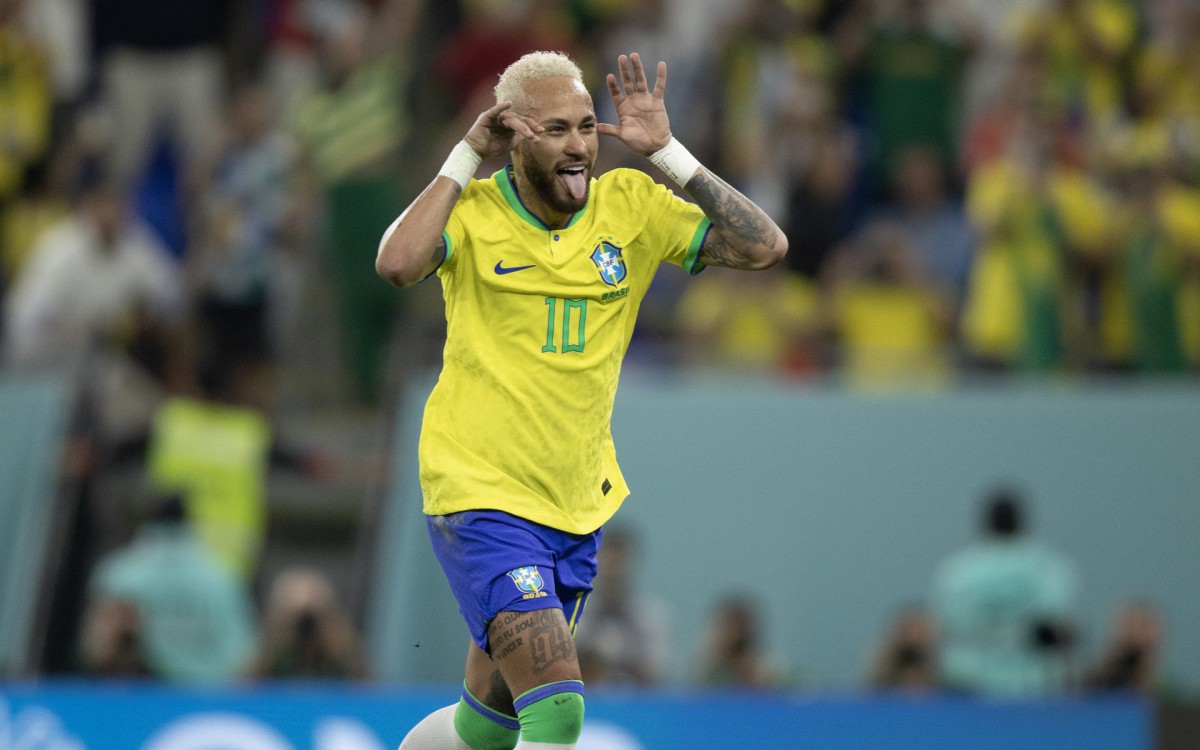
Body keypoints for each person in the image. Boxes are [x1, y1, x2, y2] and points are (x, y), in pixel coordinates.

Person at [377, 51, 786, 750]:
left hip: (575, 502)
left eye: (588, 127)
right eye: (557, 129)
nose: (579, 146)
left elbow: (763, 247)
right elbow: (397, 263)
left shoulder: (630, 205)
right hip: (481, 494)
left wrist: (669, 153)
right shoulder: (471, 214)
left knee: (491, 721)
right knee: (559, 710)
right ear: (515, 136)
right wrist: (465, 153)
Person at [81, 493, 258, 684]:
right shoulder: (223, 575)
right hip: (213, 697)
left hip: (139, 696)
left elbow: (93, 650)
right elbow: (245, 654)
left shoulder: (118, 574)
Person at [931, 487, 1079, 696]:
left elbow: (945, 628)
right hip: (1033, 684)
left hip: (970, 682)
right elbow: (1059, 626)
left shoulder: (957, 571)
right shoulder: (1049, 567)